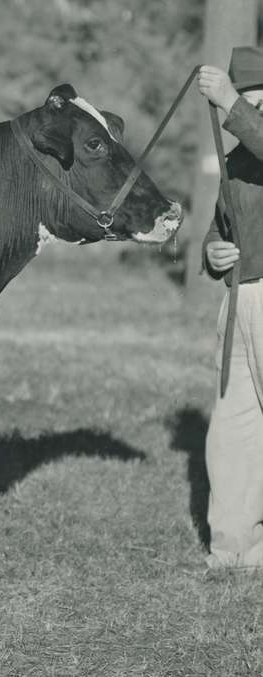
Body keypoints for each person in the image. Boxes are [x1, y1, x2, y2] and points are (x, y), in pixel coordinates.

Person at [199, 47, 263, 567]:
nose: (252, 112)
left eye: (261, 101)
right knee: (233, 423)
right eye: (249, 101)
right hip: (238, 296)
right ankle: (233, 547)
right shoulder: (236, 160)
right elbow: (222, 227)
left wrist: (229, 101)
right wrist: (212, 252)